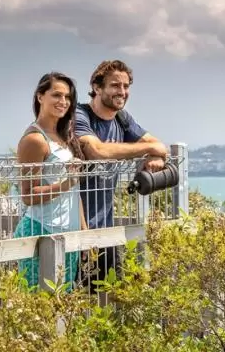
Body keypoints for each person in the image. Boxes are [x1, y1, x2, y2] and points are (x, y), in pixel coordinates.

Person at [72, 59, 168, 293]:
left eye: (126, 86)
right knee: (74, 303)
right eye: (115, 85)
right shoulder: (79, 115)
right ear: (97, 87)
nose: (122, 92)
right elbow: (97, 151)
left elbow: (160, 146)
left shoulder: (122, 119)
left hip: (106, 228)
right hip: (76, 229)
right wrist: (147, 151)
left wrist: (157, 156)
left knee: (110, 299)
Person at [14, 72, 87, 290]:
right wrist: (66, 183)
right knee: (40, 306)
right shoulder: (35, 139)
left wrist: (84, 232)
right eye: (56, 95)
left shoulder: (65, 137)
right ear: (40, 97)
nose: (63, 102)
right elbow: (28, 195)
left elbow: (75, 191)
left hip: (68, 233)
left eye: (67, 97)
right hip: (41, 231)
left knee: (62, 306)